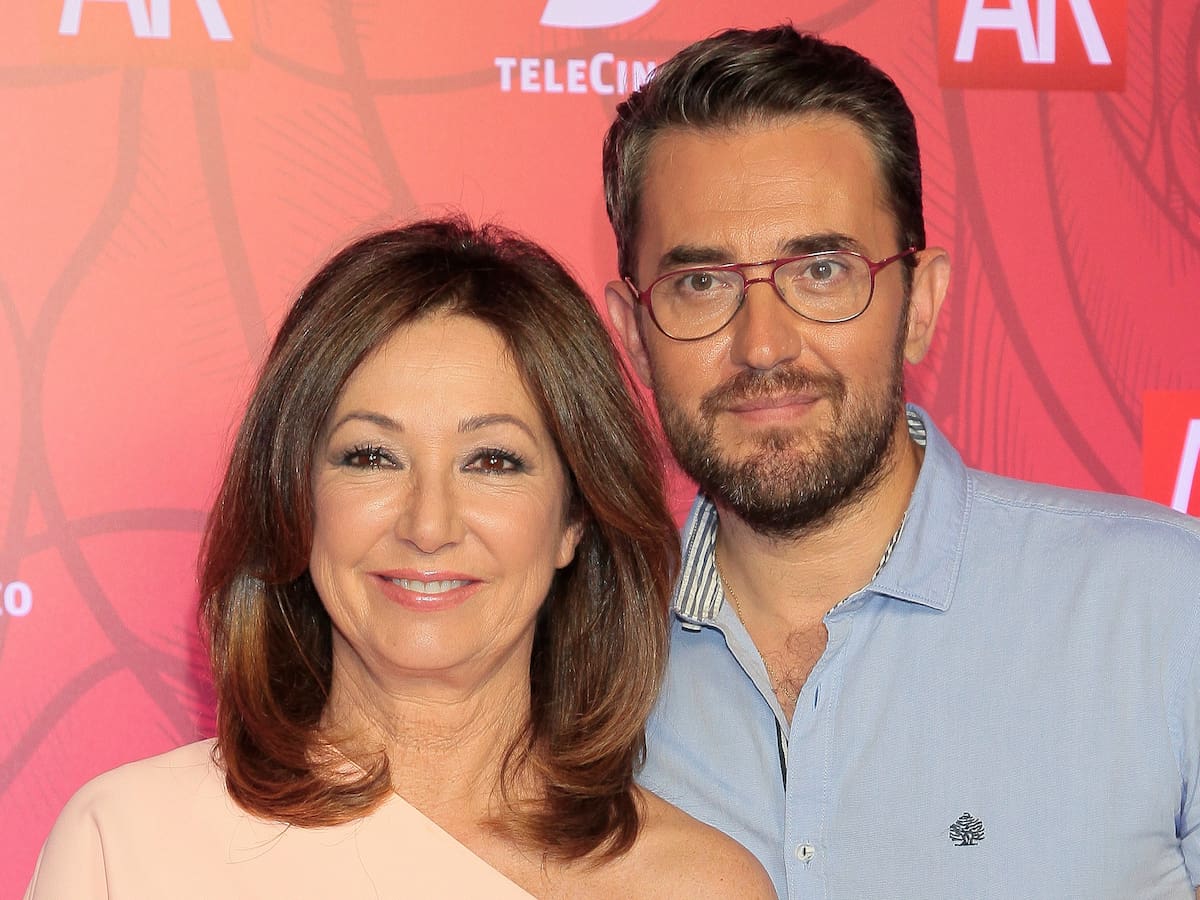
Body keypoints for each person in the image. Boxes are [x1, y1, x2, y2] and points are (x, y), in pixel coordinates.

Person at [600, 24, 1200, 899]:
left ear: (920, 304)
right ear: (631, 334)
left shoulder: (1164, 608)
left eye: (822, 271)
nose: (762, 345)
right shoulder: (567, 664)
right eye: (701, 284)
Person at [25, 218, 776, 898]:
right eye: (371, 456)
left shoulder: (697, 887)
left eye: (492, 461)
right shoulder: (129, 846)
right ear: (296, 498)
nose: (428, 525)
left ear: (574, 518)